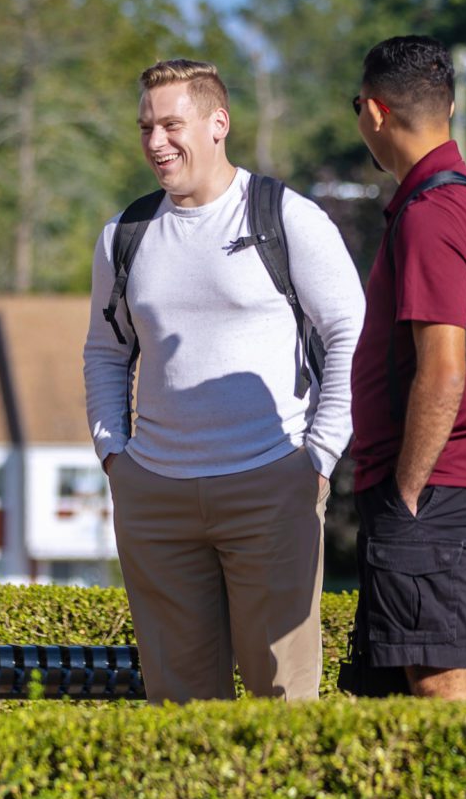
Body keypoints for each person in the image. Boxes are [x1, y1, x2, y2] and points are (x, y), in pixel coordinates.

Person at [81, 58, 364, 702]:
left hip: (272, 482)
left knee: (283, 701)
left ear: (218, 123)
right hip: (153, 492)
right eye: (146, 126)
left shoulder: (287, 217)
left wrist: (318, 458)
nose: (156, 142)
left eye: (171, 124)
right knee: (178, 711)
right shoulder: (124, 235)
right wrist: (114, 456)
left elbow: (350, 332)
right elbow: (105, 351)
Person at [343, 35, 466, 700]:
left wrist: (406, 494)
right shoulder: (459, 198)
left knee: (435, 676)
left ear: (377, 113)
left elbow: (442, 371)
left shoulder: (431, 215)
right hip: (449, 478)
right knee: (409, 675)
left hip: (435, 482)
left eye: (356, 105)